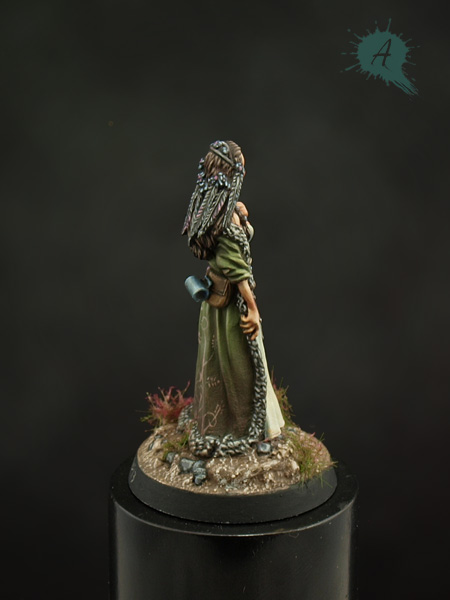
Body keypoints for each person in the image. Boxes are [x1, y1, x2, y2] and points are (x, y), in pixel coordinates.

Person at [181, 140, 284, 457]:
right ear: (230, 175)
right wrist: (252, 309)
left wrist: (242, 218)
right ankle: (241, 427)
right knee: (238, 366)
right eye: (240, 170)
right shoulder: (223, 223)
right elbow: (238, 272)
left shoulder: (217, 209)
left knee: (223, 363)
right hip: (230, 308)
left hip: (216, 303)